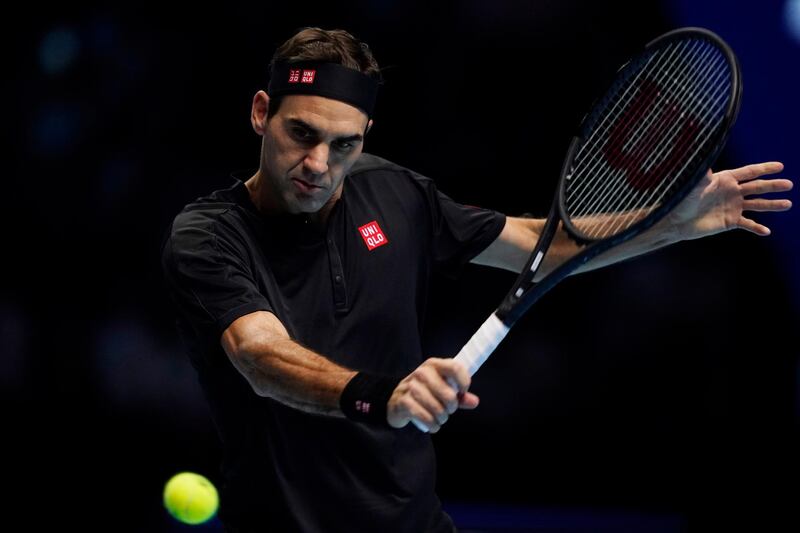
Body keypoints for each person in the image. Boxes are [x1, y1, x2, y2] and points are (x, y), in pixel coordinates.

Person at [160, 27, 793, 532]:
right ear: (261, 113)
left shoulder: (395, 194)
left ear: (366, 137)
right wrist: (384, 396)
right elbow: (259, 354)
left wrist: (674, 222)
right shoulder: (207, 236)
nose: (319, 164)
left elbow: (545, 244)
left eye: (344, 144)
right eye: (302, 134)